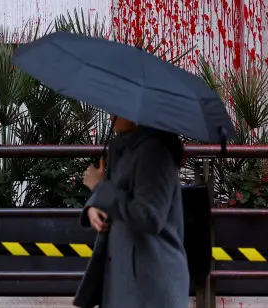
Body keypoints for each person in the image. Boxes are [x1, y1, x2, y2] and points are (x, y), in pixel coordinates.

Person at [74, 115, 188, 308]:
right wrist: (95, 205)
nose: (111, 116)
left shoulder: (153, 153)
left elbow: (149, 216)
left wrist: (100, 188)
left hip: (149, 280)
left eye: (117, 110)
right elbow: (120, 193)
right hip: (125, 272)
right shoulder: (126, 150)